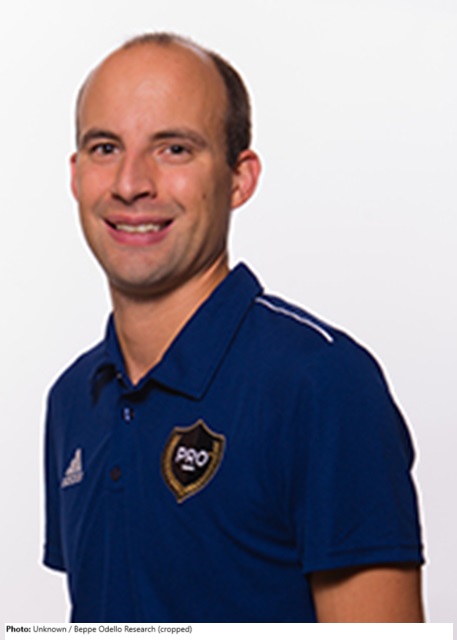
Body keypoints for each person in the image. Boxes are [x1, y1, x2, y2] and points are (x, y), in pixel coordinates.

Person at [43, 32, 424, 623]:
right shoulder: (74, 399)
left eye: (174, 149)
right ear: (75, 175)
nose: (130, 183)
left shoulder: (321, 383)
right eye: (105, 148)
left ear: (239, 178)